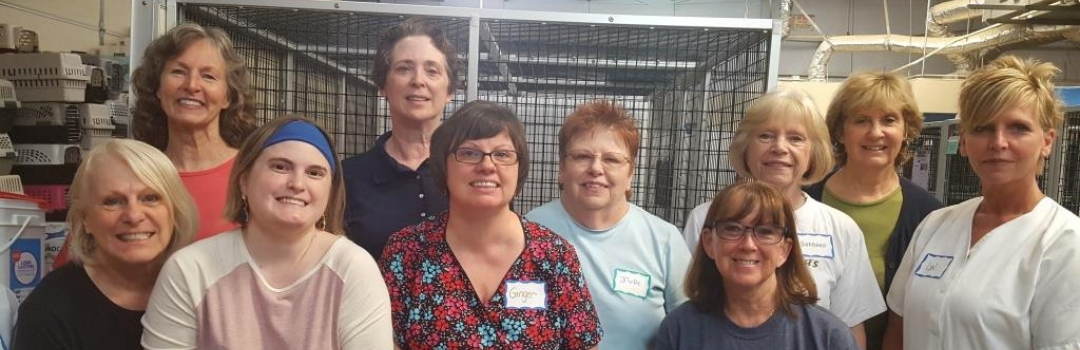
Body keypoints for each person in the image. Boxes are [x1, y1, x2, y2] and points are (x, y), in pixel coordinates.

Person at [141, 117, 393, 349]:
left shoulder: (353, 269)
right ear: (244, 180)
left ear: (330, 191)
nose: (297, 184)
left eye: (314, 173)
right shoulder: (189, 271)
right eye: (280, 167)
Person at [884, 56, 1080, 350]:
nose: (998, 142)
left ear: (1047, 141)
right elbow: (897, 331)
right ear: (963, 141)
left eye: (1018, 128)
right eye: (982, 128)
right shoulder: (935, 225)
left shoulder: (1065, 243)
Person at [379, 101, 602, 349]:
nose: (487, 166)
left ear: (519, 168)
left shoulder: (555, 256)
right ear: (443, 166)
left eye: (502, 154)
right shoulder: (407, 253)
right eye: (469, 153)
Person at [683, 89, 884, 348]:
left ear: (813, 152)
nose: (779, 147)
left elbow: (850, 326)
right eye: (765, 136)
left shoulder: (840, 229)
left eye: (795, 138)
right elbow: (689, 308)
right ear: (746, 147)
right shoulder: (706, 218)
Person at [52, 23, 257, 266]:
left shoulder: (254, 173)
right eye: (178, 72)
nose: (192, 85)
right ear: (157, 88)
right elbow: (77, 258)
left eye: (208, 76)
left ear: (228, 97)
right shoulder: (130, 172)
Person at [526, 100, 691, 350]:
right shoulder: (530, 231)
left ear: (630, 174)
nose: (596, 169)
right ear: (562, 168)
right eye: (582, 156)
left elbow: (691, 330)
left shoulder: (663, 240)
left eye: (612, 160)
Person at [13, 139, 198, 350]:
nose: (134, 216)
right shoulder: (49, 308)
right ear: (85, 219)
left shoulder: (203, 287)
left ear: (175, 211)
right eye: (113, 201)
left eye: (150, 198)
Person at [804, 71, 943, 350]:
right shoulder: (803, 202)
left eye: (889, 120)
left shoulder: (930, 215)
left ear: (906, 130)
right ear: (840, 132)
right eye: (861, 120)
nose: (876, 132)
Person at [658, 182, 859, 350]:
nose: (748, 245)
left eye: (765, 232)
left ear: (785, 250)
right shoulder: (680, 329)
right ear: (709, 242)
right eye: (732, 229)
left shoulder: (827, 336)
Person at [342, 18, 458, 258]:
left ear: (450, 91)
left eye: (432, 71)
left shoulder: (471, 171)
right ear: (382, 85)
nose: (418, 81)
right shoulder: (347, 178)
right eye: (404, 68)